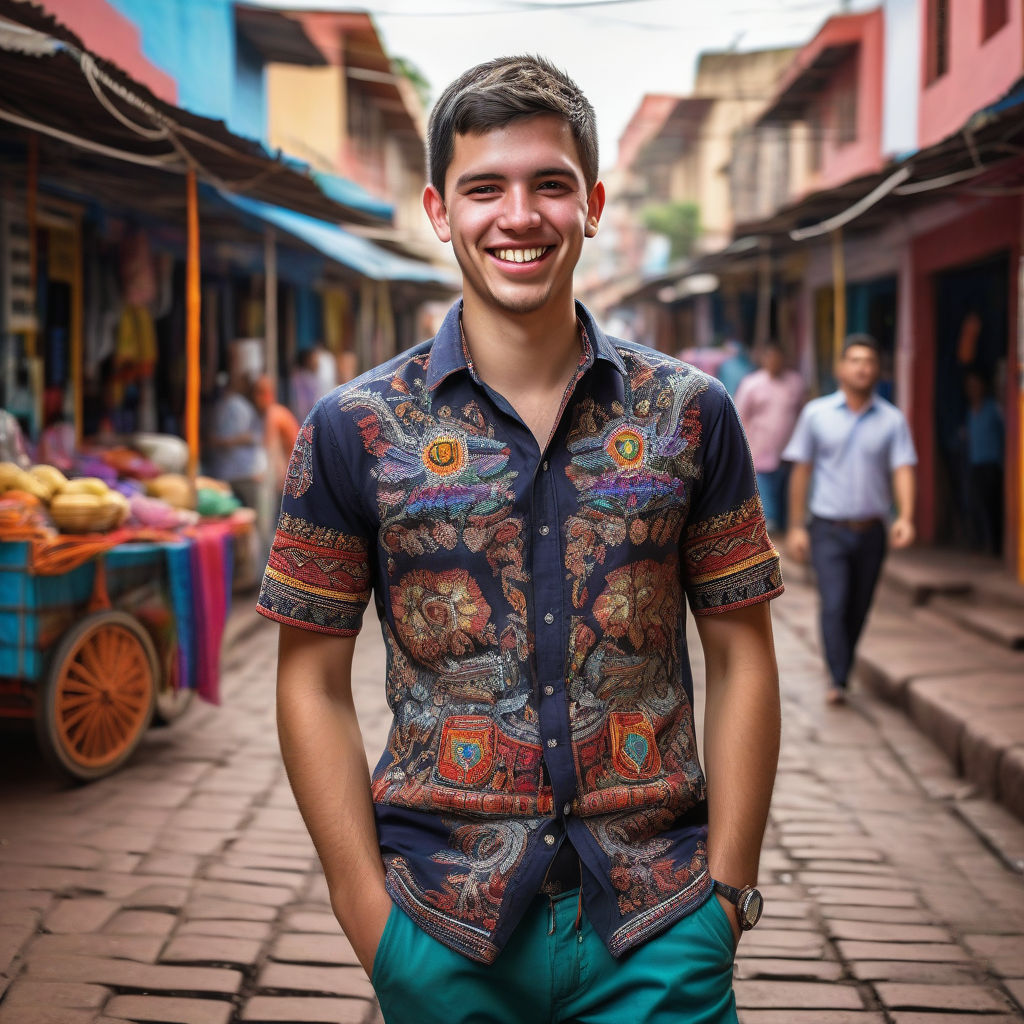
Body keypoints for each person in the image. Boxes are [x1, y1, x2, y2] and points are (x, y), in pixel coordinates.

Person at [259, 56, 783, 1024]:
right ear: (437, 208)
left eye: (548, 184)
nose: (518, 214)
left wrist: (726, 895)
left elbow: (743, 651)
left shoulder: (691, 413)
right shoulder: (353, 426)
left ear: (589, 202)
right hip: (438, 924)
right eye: (484, 187)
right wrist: (365, 913)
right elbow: (307, 676)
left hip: (660, 927)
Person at [784, 333, 917, 706]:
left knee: (859, 606)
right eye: (855, 360)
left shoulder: (892, 420)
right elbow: (801, 471)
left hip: (872, 530)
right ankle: (838, 678)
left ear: (879, 370)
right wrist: (796, 527)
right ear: (840, 368)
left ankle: (842, 668)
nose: (863, 367)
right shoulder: (816, 415)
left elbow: (903, 469)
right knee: (835, 602)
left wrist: (905, 516)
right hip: (827, 528)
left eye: (870, 361)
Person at [734, 342, 804, 532]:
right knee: (767, 500)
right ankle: (770, 533)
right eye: (770, 357)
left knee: (784, 493)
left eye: (778, 357)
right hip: (759, 450)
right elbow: (740, 416)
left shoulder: (795, 383)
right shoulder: (751, 385)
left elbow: (800, 413)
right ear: (764, 359)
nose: (774, 362)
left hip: (787, 452)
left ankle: (782, 529)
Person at [963, 370, 1003, 556]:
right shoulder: (971, 412)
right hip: (976, 464)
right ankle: (982, 543)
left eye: (976, 385)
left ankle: (996, 547)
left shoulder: (992, 408)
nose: (973, 389)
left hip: (992, 465)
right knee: (977, 505)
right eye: (970, 386)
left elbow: (1005, 433)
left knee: (993, 506)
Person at [252, 375, 300, 496]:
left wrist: (268, 476)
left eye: (258, 394)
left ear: (267, 395)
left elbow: (273, 450)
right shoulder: (278, 412)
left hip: (293, 475)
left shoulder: (274, 415)